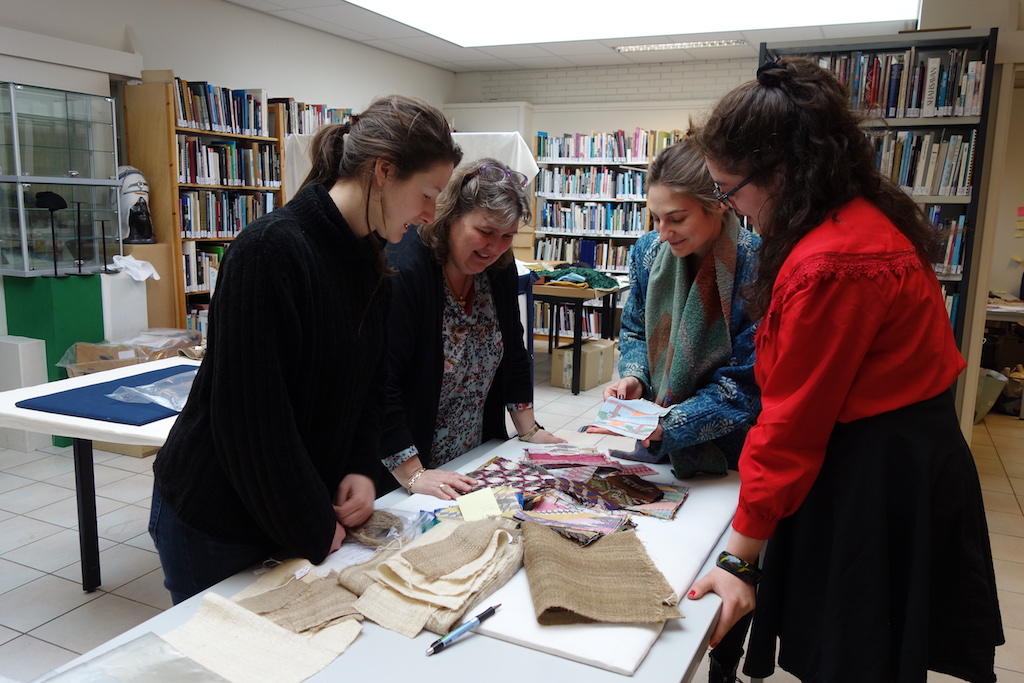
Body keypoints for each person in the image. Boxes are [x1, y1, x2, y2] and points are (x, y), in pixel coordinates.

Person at [688, 58, 1003, 682]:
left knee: (856, 648)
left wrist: (742, 558)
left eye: (729, 191)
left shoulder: (834, 262)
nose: (733, 207)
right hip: (886, 456)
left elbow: (795, 422)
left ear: (781, 174)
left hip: (877, 473)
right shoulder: (847, 220)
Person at [149, 95, 463, 604]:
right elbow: (252, 421)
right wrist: (311, 526)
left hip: (294, 507)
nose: (429, 216)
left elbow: (370, 386)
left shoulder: (371, 262)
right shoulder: (269, 251)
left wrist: (361, 467)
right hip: (218, 516)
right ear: (383, 171)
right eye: (427, 194)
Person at [601, 137, 761, 682]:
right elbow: (632, 331)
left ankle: (722, 665)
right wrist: (632, 376)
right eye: (656, 217)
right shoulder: (648, 251)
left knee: (723, 572)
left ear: (718, 204)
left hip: (730, 452)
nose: (664, 232)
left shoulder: (756, 266)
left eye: (677, 218)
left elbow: (746, 386)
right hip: (655, 440)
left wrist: (672, 424)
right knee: (664, 554)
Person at [382, 157, 565, 499]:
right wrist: (412, 474)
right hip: (404, 464)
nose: (494, 247)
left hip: (472, 456)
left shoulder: (499, 269)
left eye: (507, 235)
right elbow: (380, 383)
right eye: (485, 232)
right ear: (449, 217)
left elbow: (514, 351)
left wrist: (528, 431)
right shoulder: (405, 271)